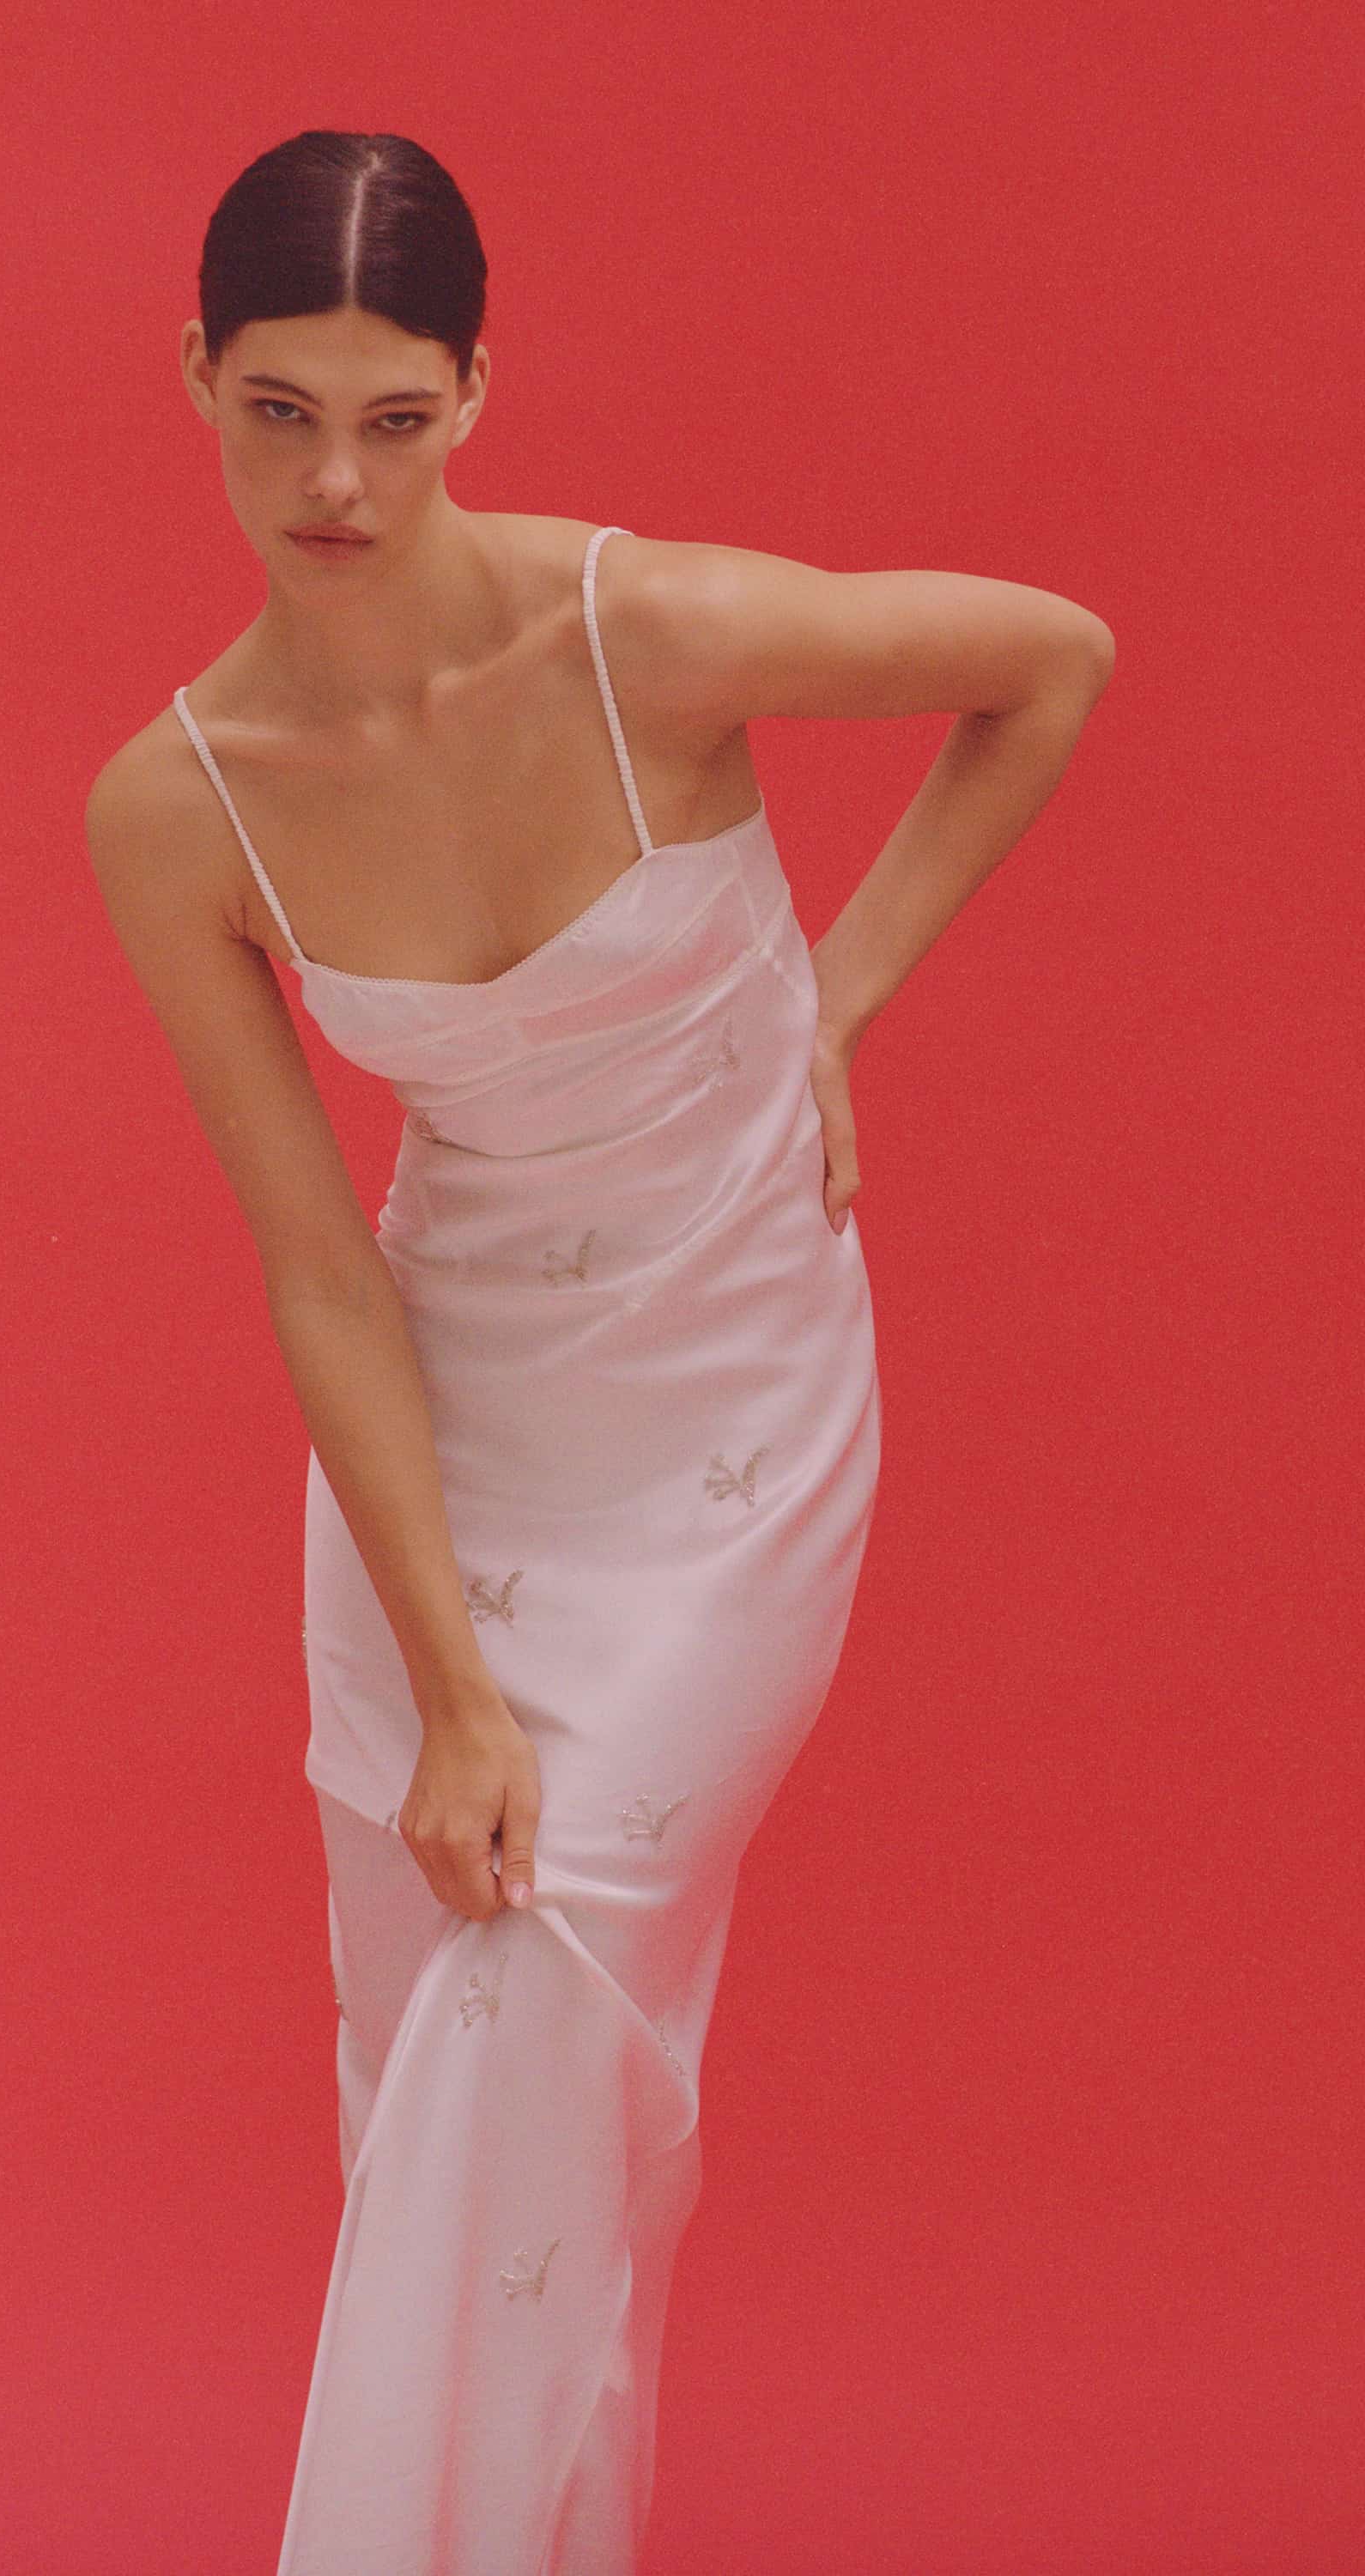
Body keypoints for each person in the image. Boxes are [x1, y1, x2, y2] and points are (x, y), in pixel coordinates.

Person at [84, 126, 1114, 2576]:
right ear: (197, 385)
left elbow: (1051, 662)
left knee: (529, 1991)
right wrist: (443, 1680)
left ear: (477, 395)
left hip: (729, 1420)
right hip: (447, 1464)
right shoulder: (172, 806)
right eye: (276, 411)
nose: (334, 481)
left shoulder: (647, 631)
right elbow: (324, 1270)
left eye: (397, 417)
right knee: (451, 2079)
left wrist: (830, 1001)